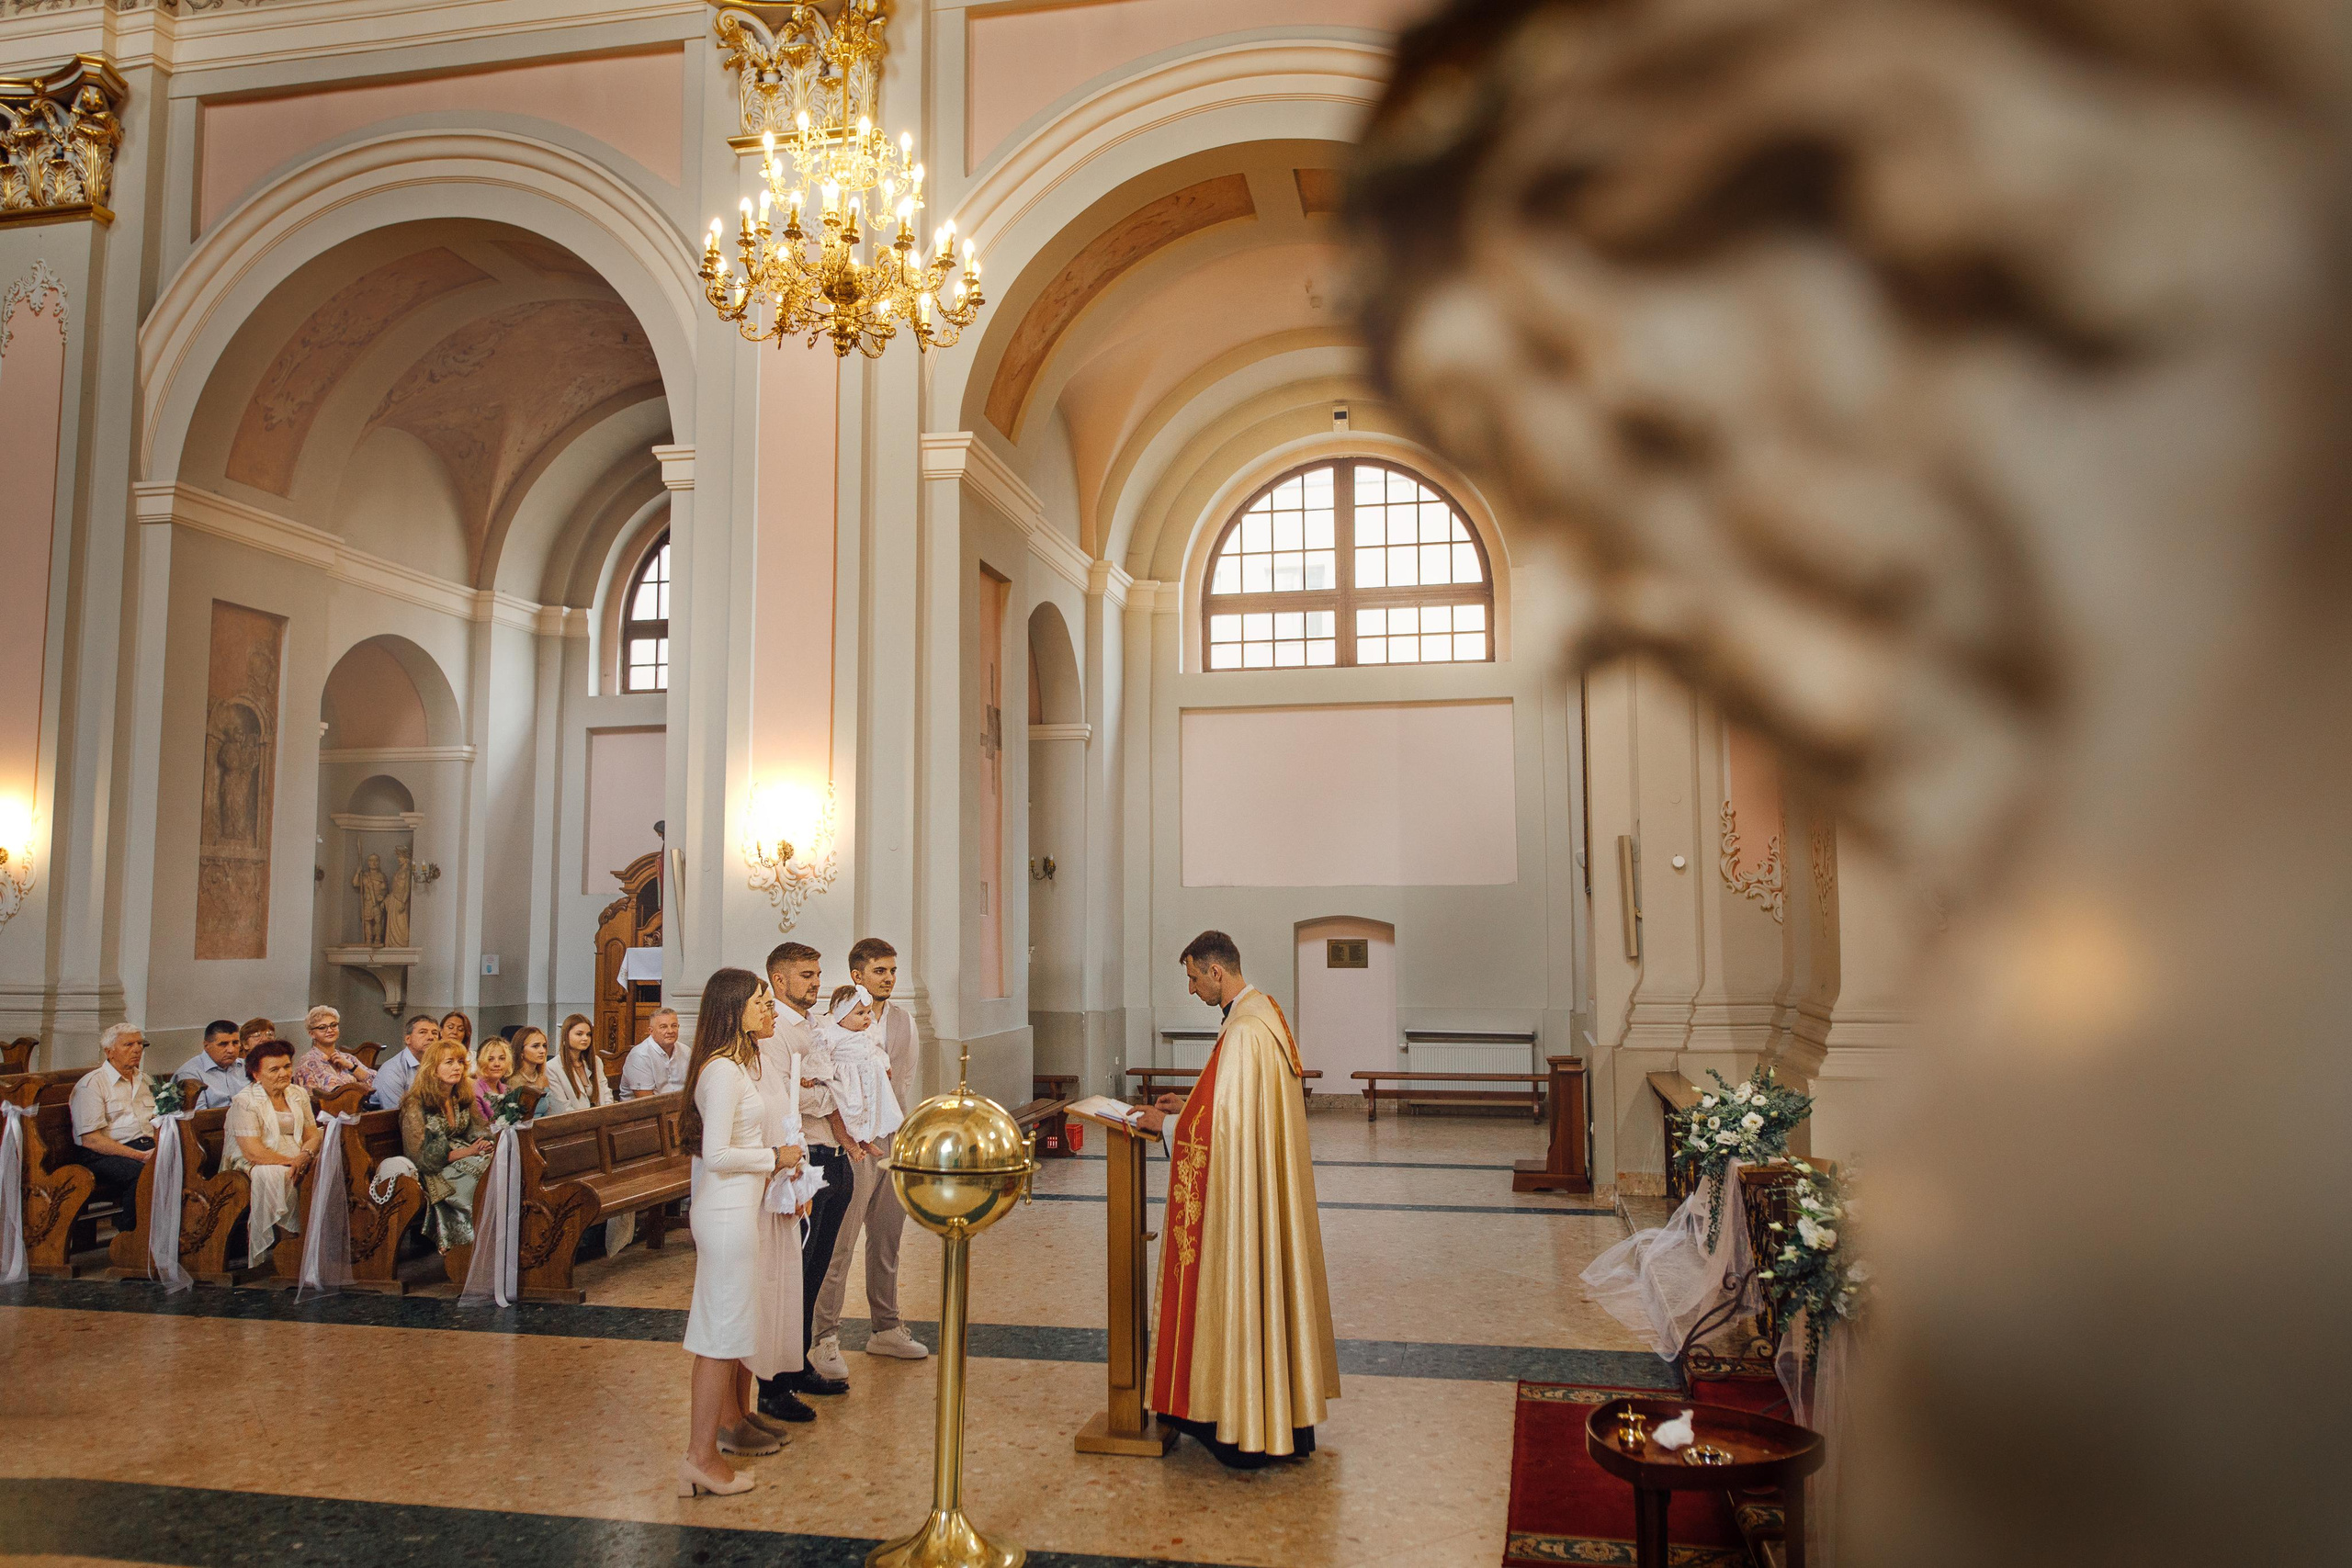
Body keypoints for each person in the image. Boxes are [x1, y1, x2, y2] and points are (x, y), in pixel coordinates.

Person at [1132, 931, 1339, 1468]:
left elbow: (1224, 1132)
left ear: (1216, 972)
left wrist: (1165, 1124)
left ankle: (1236, 1425)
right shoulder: (1261, 1014)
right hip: (1256, 1184)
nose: (1194, 990)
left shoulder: (1246, 1030)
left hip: (1242, 1200)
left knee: (1240, 1284)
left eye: (1195, 979)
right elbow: (1229, 1102)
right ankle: (1277, 1417)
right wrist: (1188, 1101)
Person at [678, 966, 804, 1496]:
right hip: (727, 1214)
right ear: (733, 1008)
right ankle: (701, 1457)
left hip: (738, 1209)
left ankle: (703, 1453)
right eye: (760, 1000)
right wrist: (775, 1157)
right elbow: (718, 1153)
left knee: (724, 1336)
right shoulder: (723, 1071)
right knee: (719, 1338)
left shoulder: (737, 1065)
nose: (766, 1007)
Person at [808, 937, 927, 1378]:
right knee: (840, 1240)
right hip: (852, 1142)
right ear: (857, 975)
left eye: (892, 970)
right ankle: (824, 1337)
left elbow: (904, 1079)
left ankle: (886, 1327)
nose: (889, 978)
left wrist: (896, 1133)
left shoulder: (902, 1022)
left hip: (890, 1138)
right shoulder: (832, 1023)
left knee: (887, 1237)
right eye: (880, 971)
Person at [763, 942, 850, 1400]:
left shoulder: (817, 1024)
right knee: (794, 1267)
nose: (816, 982)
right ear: (779, 980)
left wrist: (833, 1089)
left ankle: (798, 1363)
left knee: (817, 1266)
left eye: (818, 974)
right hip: (805, 1158)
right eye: (806, 975)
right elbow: (787, 1097)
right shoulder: (774, 1031)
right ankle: (779, 1375)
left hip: (835, 1153)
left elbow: (838, 1076)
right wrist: (836, 1094)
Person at [222, 1039, 321, 1266]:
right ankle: (289, 1242)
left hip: (298, 1153)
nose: (283, 1073)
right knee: (275, 1174)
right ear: (256, 1074)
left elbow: (312, 1135)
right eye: (274, 1069)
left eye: (287, 1066)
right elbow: (253, 1151)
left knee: (329, 1164)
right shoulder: (244, 1102)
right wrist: (292, 1161)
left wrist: (305, 1156)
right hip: (254, 1159)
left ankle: (316, 1240)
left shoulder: (297, 1093)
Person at [399, 1039, 495, 1252]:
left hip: (464, 1155)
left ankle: (497, 1242)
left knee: (497, 1168)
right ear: (432, 1069)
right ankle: (471, 1249)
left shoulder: (460, 1096)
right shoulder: (415, 1103)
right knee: (479, 1179)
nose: (457, 1067)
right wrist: (468, 1152)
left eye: (460, 1062)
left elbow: (478, 1129)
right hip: (436, 1169)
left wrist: (485, 1144)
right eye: (449, 1062)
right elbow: (421, 1157)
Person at [69, 1023, 158, 1223]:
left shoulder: (145, 1080)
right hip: (103, 1154)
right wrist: (140, 1156)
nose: (137, 1049)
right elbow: (92, 1140)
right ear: (109, 1052)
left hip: (146, 1146)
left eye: (140, 1044)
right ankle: (131, 1237)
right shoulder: (92, 1084)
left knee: (183, 1165)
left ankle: (172, 1234)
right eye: (128, 1044)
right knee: (143, 1175)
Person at [291, 1005, 375, 1099]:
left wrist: (351, 1067)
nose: (330, 1030)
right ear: (312, 1034)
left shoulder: (348, 1058)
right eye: (322, 1027)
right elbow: (309, 1101)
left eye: (333, 1025)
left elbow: (377, 1082)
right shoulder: (306, 1063)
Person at [541, 1013, 610, 1118]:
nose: (585, 1038)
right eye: (579, 1034)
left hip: (602, 1121)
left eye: (588, 1034)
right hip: (573, 1125)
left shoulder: (596, 1061)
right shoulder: (552, 1067)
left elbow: (606, 1095)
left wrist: (608, 1117)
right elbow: (561, 1108)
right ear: (566, 1035)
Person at [367, 1014, 439, 1111]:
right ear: (408, 1039)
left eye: (435, 1033)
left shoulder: (440, 1064)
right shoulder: (392, 1070)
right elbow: (397, 1113)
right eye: (423, 1032)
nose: (431, 1037)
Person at [173, 1020, 246, 1110]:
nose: (231, 1050)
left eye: (235, 1043)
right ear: (206, 1046)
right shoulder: (189, 1074)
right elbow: (199, 1117)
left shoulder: (247, 1067)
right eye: (223, 1044)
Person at [618, 1009, 687, 1099]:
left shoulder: (686, 1051)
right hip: (641, 1111)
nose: (670, 1031)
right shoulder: (640, 1056)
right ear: (651, 1031)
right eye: (663, 1027)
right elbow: (646, 1102)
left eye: (674, 1026)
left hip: (679, 1108)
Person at [510, 1027, 553, 1113]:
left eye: (544, 1046)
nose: (542, 1051)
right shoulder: (512, 1081)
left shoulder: (543, 1079)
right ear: (521, 1051)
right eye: (535, 1046)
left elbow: (549, 1112)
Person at [472, 1037, 515, 1124]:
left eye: (502, 1058)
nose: (497, 1064)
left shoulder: (509, 1090)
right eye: (490, 1059)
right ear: (480, 1062)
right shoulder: (474, 1091)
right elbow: (483, 1129)